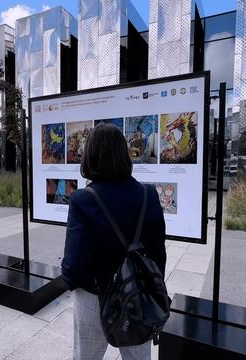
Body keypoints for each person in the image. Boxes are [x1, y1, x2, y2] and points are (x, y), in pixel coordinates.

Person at [61, 123, 167, 360]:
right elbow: (158, 254)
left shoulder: (82, 200)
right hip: (138, 296)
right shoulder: (148, 195)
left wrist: (69, 281)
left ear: (90, 156)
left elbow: (74, 264)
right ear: (124, 154)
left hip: (94, 296)